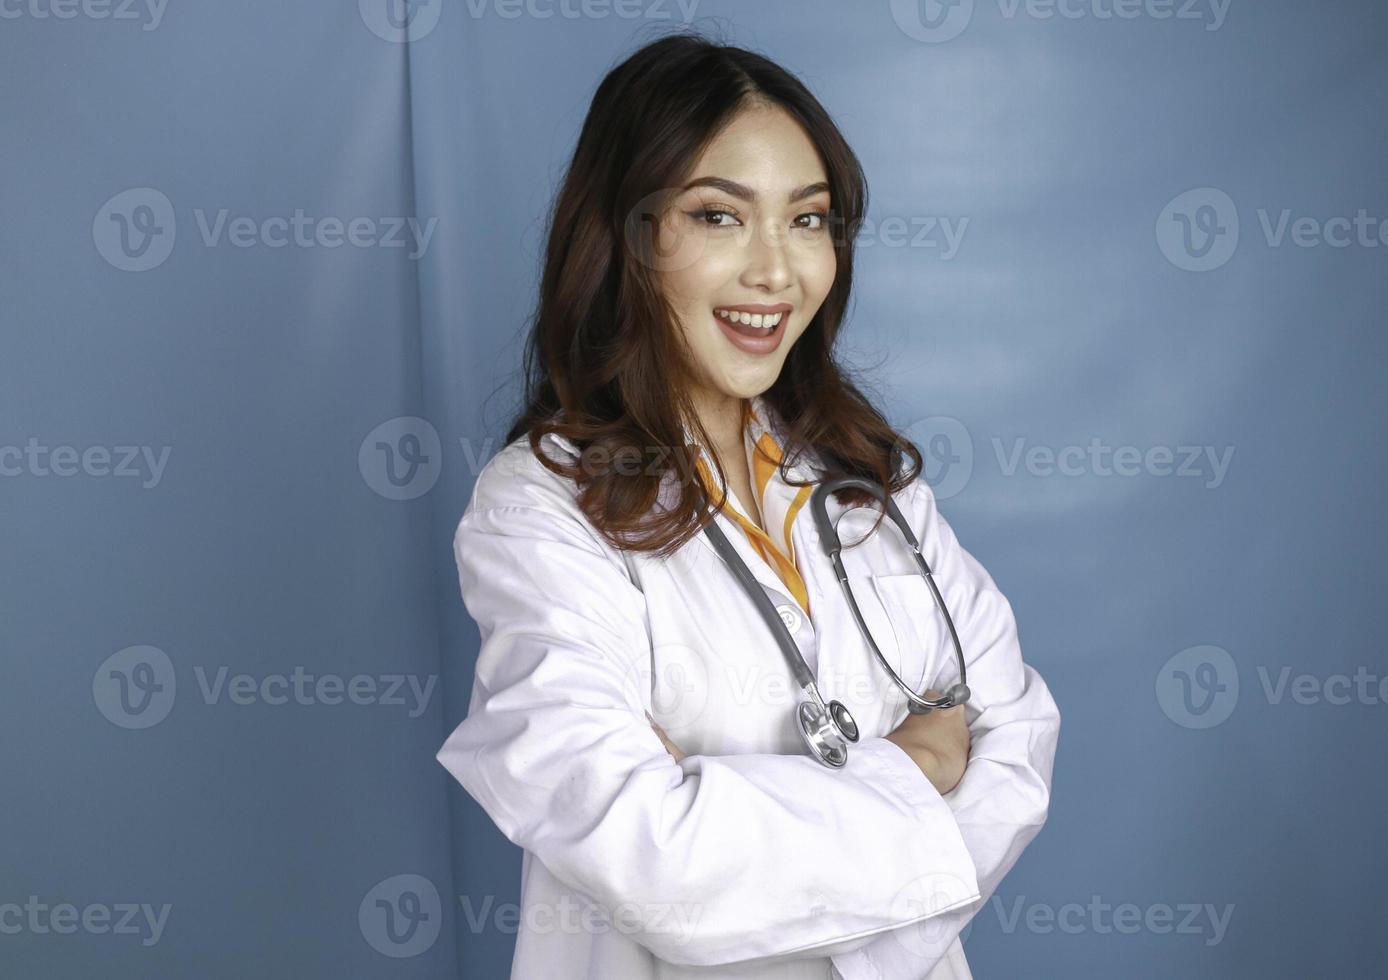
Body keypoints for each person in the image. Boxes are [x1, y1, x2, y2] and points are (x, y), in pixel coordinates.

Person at [436, 30, 1061, 980]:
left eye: (807, 221)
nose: (776, 271)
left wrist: (714, 798)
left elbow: (1015, 746)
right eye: (720, 217)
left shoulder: (866, 483)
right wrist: (915, 774)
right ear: (629, 236)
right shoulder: (539, 511)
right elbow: (653, 862)